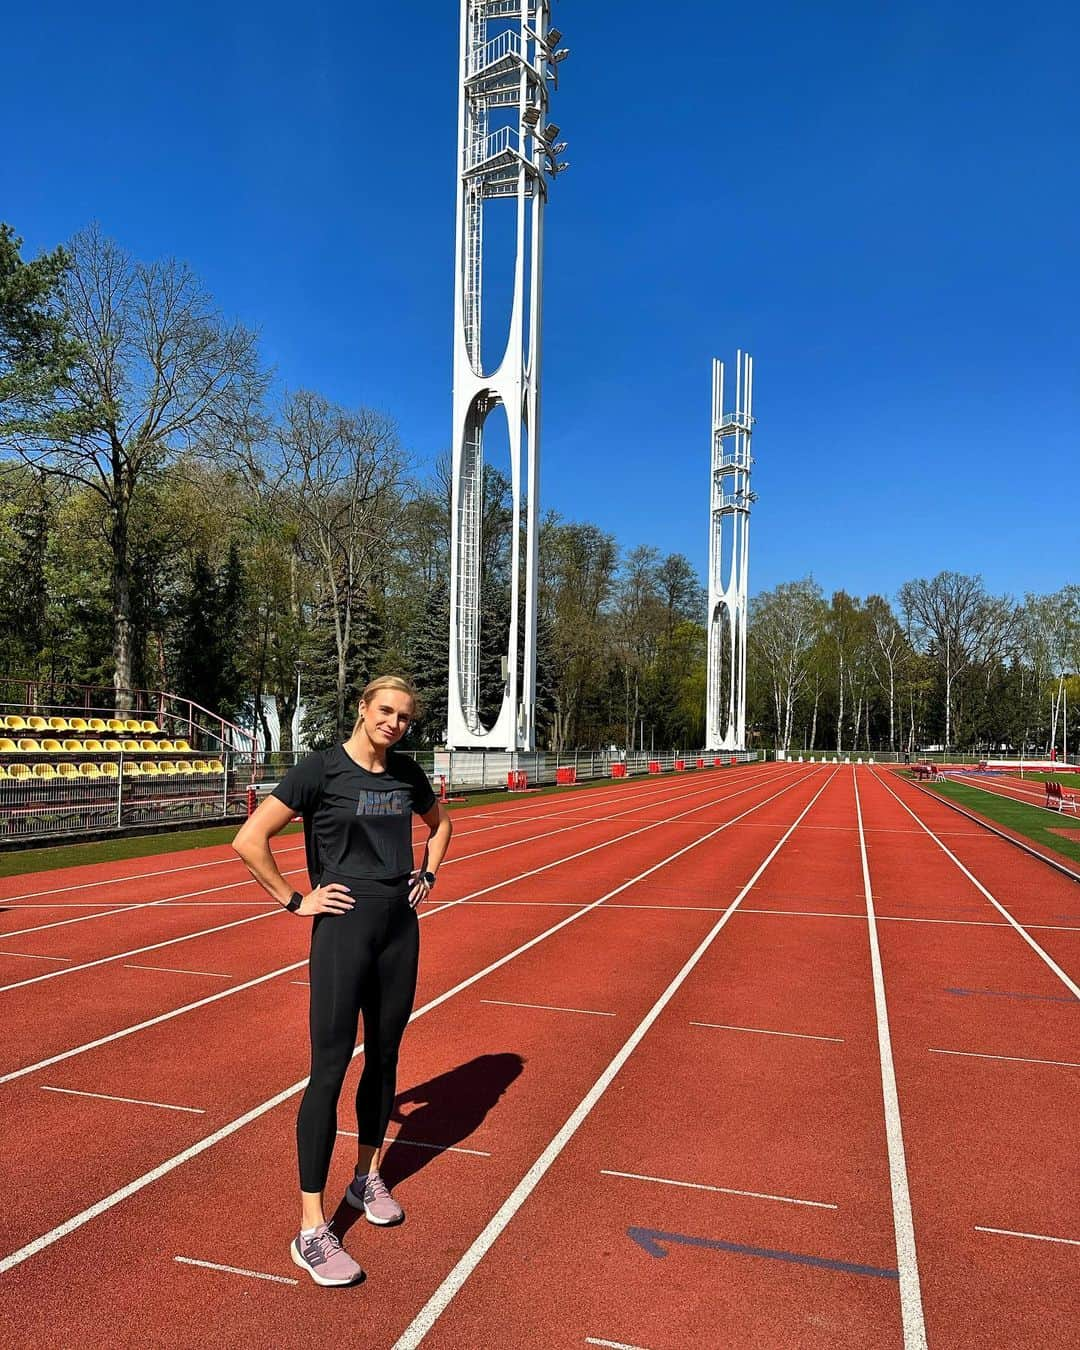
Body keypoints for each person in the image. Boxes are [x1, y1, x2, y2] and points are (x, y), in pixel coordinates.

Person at [232, 674, 452, 1287]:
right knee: (329, 1070)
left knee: (384, 1058)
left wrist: (427, 875)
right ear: (363, 709)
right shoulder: (320, 771)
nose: (394, 723)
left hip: (399, 932)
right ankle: (310, 1230)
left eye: (405, 717)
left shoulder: (407, 774)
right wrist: (294, 900)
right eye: (385, 711)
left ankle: (365, 1177)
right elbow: (249, 840)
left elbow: (442, 826)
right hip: (342, 932)